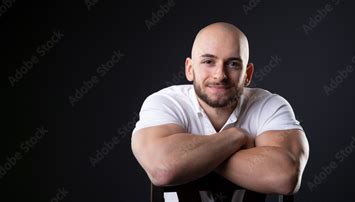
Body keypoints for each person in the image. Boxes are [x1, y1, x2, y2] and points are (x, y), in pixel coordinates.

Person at [131, 22, 309, 201]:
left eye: (233, 64)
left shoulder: (270, 106)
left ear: (247, 74)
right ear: (190, 69)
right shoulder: (165, 103)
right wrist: (235, 138)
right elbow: (163, 169)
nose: (220, 75)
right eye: (209, 61)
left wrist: (190, 159)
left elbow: (285, 178)